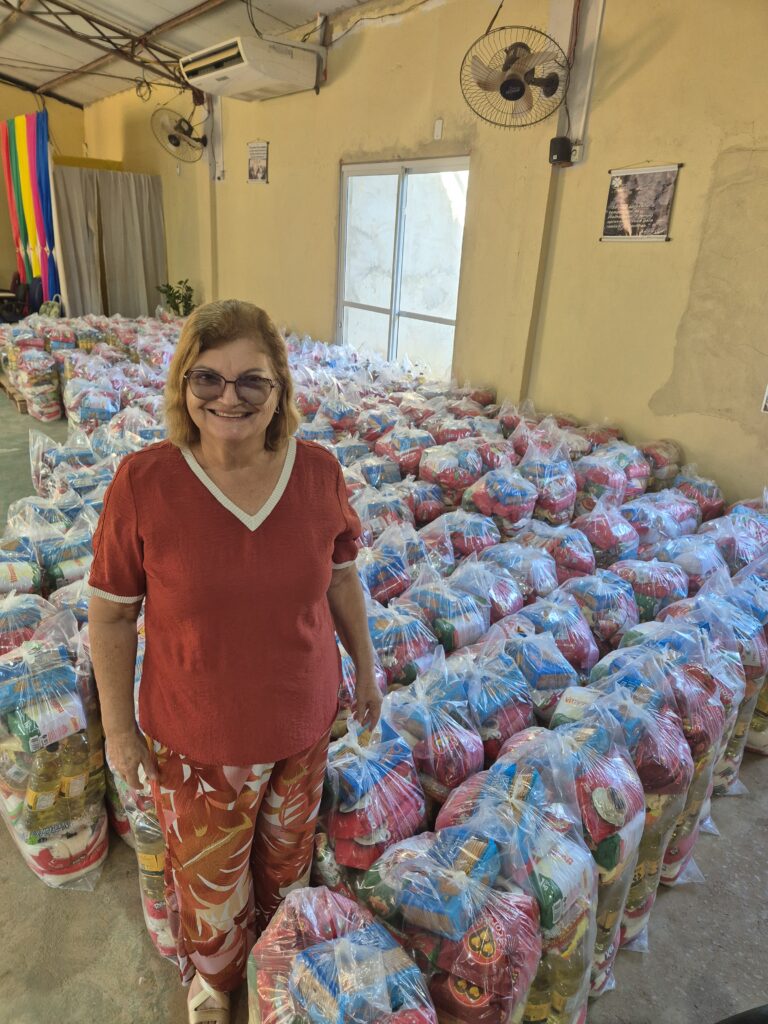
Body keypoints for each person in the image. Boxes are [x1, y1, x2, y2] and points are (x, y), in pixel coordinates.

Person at [88, 300, 381, 1024]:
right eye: (208, 378)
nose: (229, 397)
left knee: (286, 863)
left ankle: (275, 969)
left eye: (252, 380)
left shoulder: (317, 474)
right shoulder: (145, 484)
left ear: (280, 388)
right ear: (182, 386)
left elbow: (342, 579)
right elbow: (113, 614)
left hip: (303, 726)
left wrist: (367, 669)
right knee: (212, 887)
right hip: (199, 742)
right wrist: (119, 731)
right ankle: (216, 982)